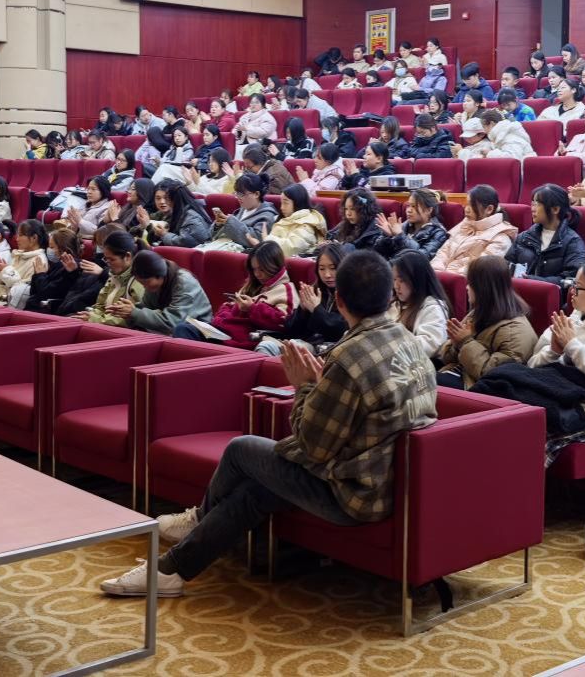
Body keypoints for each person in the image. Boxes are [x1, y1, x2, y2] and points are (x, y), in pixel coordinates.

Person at [103, 250, 437, 598]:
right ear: (389, 295)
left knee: (241, 448)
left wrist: (303, 386)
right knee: (254, 491)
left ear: (338, 300)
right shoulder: (409, 341)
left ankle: (199, 519)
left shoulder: (349, 358)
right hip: (390, 483)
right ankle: (171, 570)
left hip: (352, 493)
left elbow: (312, 446)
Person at [479, 260, 585, 465]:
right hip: (554, 397)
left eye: (578, 287)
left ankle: (515, 485)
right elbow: (532, 369)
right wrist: (553, 352)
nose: (572, 291)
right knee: (498, 421)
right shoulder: (571, 320)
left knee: (525, 444)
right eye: (573, 284)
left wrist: (573, 346)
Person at [434, 255, 535, 391]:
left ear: (483, 288)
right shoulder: (479, 311)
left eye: (470, 284)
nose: (467, 288)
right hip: (460, 373)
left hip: (480, 388)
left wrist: (465, 342)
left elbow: (492, 375)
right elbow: (446, 358)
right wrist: (456, 343)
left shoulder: (515, 331)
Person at [172, 240, 296, 349]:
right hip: (223, 333)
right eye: (254, 269)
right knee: (183, 329)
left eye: (262, 269)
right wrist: (223, 317)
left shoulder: (286, 289)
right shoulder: (253, 284)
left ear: (274, 266)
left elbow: (284, 323)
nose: (257, 274)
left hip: (244, 341)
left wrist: (252, 308)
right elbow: (229, 305)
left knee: (185, 334)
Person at [256, 244, 347, 356]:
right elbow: (292, 331)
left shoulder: (352, 293)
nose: (327, 274)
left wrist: (316, 309)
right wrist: (302, 310)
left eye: (333, 268)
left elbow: (341, 330)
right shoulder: (315, 291)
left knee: (292, 349)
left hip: (332, 350)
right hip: (307, 344)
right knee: (266, 346)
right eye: (322, 269)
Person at [114, 248, 215, 335]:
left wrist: (134, 313)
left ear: (160, 275)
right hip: (172, 330)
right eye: (142, 284)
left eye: (146, 282)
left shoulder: (184, 282)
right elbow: (146, 307)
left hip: (200, 331)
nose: (145, 287)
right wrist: (126, 311)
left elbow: (172, 322)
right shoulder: (155, 284)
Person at [507, 184, 585, 286]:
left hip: (550, 295)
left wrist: (532, 281)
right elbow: (507, 265)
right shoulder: (524, 237)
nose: (532, 209)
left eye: (537, 204)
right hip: (518, 291)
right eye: (532, 204)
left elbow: (570, 280)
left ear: (555, 209)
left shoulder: (573, 242)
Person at [429, 184, 517, 274]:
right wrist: (436, 273)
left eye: (472, 205)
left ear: (489, 209)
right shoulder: (465, 225)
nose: (466, 210)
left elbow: (477, 270)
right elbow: (443, 253)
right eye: (466, 204)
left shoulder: (501, 238)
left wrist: (449, 278)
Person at [389, 250, 450, 360]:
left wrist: (389, 345)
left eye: (401, 280)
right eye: (394, 279)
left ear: (416, 280)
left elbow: (430, 345)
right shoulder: (396, 303)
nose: (396, 286)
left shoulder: (433, 308)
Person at [78, 231, 144, 325]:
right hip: (105, 324)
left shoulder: (139, 281)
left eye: (112, 259)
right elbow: (100, 306)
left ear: (127, 256)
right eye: (106, 259)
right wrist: (91, 315)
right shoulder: (114, 275)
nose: (108, 263)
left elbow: (128, 319)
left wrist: (94, 319)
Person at [202, 172, 278, 252]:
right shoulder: (242, 209)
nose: (238, 197)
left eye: (241, 194)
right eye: (236, 193)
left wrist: (230, 222)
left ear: (256, 194)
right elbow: (211, 235)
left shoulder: (268, 216)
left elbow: (257, 240)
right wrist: (218, 225)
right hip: (221, 246)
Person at [374, 188, 448, 259]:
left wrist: (400, 236)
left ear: (429, 210)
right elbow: (378, 251)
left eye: (414, 206)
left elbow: (420, 258)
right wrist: (387, 236)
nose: (409, 210)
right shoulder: (405, 225)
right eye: (408, 205)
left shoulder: (438, 233)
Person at [258, 184, 327, 258]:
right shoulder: (285, 219)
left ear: (298, 202)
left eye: (285, 203)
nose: (281, 207)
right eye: (281, 203)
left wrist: (267, 239)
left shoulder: (307, 224)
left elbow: (291, 249)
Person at [139, 181, 213, 248]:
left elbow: (189, 243)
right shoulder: (162, 214)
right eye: (158, 198)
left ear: (175, 198)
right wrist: (145, 225)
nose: (162, 202)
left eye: (166, 198)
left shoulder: (191, 217)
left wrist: (164, 235)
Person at [26, 227, 82, 313]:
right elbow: (34, 292)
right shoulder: (56, 265)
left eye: (52, 247)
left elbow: (46, 293)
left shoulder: (71, 268)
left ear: (63, 249)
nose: (49, 250)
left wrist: (40, 275)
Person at [460, 108, 534, 161]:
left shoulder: (511, 136)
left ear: (491, 124)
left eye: (484, 127)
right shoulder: (500, 136)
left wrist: (489, 153)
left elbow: (513, 159)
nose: (484, 131)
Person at [63, 175, 114, 241]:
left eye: (93, 189)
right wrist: (72, 223)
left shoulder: (108, 208)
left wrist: (80, 221)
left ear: (103, 191)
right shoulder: (86, 204)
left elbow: (101, 232)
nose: (89, 192)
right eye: (88, 189)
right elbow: (76, 229)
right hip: (76, 239)